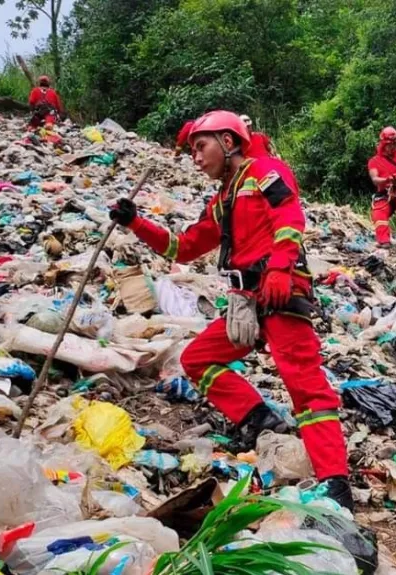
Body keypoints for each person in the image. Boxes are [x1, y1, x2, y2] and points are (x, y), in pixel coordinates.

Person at [109, 110, 354, 510]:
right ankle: (259, 419)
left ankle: (335, 483)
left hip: (280, 292)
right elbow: (184, 247)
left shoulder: (265, 171)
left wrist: (279, 267)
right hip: (246, 302)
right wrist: (136, 223)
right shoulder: (223, 199)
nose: (196, 157)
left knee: (305, 386)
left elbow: (290, 218)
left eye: (200, 146)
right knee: (198, 359)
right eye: (192, 151)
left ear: (228, 141)